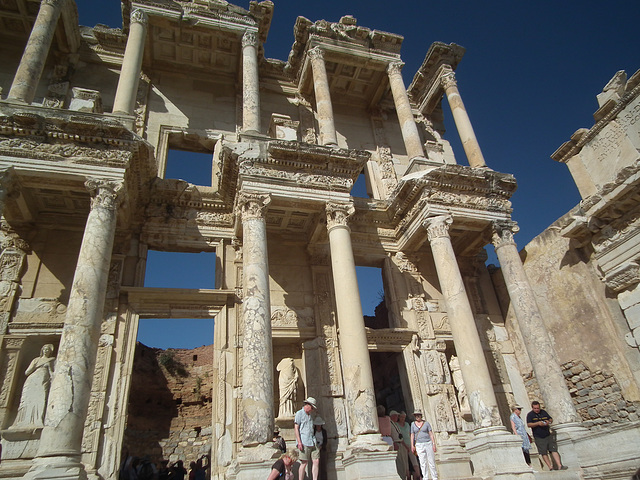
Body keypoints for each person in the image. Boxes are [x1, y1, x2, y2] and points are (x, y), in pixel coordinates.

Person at [13, 344, 55, 427]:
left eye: (48, 350)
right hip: (33, 380)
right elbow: (27, 372)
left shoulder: (52, 360)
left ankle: (38, 420)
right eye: (45, 349)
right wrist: (36, 366)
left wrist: (49, 367)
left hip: (44, 380)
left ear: (50, 352)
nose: (46, 351)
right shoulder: (36, 360)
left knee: (41, 399)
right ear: (42, 350)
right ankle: (23, 421)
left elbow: (54, 374)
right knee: (28, 400)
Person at [526, 401, 567, 470]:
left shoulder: (543, 412)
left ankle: (559, 465)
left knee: (553, 449)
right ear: (532, 408)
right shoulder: (530, 415)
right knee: (543, 452)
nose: (537, 410)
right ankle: (550, 467)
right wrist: (538, 423)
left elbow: (550, 419)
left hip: (547, 434)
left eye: (538, 408)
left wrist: (549, 421)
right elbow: (529, 424)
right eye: (535, 408)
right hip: (538, 436)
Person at [295, 396, 319, 480]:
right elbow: (296, 428)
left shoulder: (310, 416)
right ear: (308, 405)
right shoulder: (299, 414)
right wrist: (299, 442)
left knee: (316, 461)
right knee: (304, 463)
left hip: (312, 440)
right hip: (304, 441)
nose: (312, 410)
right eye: (312, 408)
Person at [410, 410, 437, 480]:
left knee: (431, 461)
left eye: (418, 415)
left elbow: (430, 434)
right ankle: (425, 477)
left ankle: (434, 477)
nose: (417, 417)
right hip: (419, 444)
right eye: (416, 415)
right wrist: (412, 445)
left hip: (428, 443)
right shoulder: (413, 424)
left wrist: (433, 444)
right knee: (422, 462)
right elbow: (412, 435)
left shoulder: (426, 423)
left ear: (421, 416)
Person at [398, 412, 421, 480]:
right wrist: (405, 445)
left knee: (414, 460)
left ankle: (418, 475)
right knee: (405, 462)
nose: (403, 419)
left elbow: (410, 434)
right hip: (402, 444)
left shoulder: (407, 424)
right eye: (401, 417)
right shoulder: (396, 424)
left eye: (404, 417)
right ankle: (407, 476)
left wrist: (412, 444)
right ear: (399, 417)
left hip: (409, 443)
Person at [390, 410, 409, 480]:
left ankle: (404, 477)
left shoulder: (395, 424)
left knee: (404, 463)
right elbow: (390, 434)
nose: (397, 417)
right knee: (400, 463)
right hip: (397, 444)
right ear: (393, 416)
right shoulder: (390, 424)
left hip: (401, 444)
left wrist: (405, 446)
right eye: (397, 416)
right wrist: (394, 443)